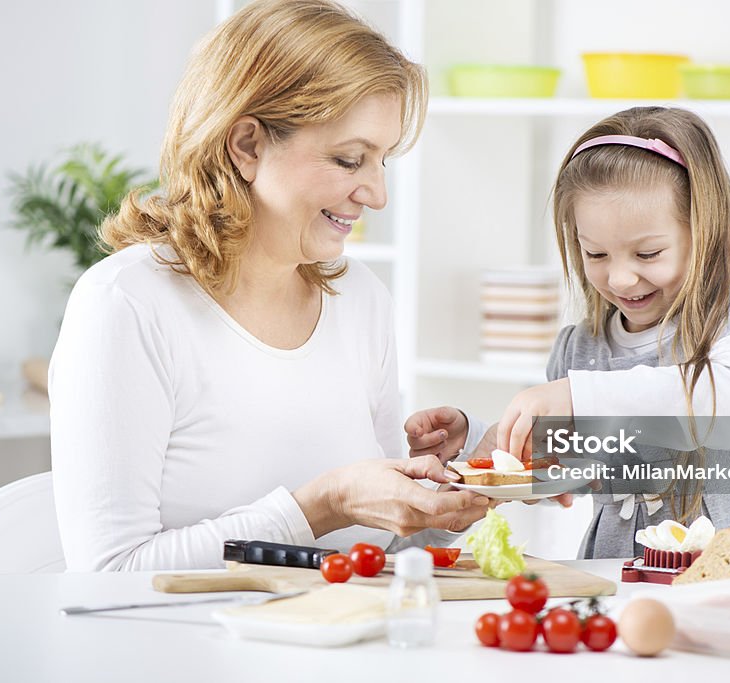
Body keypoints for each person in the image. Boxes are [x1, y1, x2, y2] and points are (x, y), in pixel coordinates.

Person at [49, 0, 489, 572]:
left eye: (382, 162)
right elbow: (109, 571)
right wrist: (323, 505)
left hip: (345, 648)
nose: (377, 194)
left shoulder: (359, 300)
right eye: (349, 159)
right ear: (248, 145)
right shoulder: (127, 304)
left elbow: (375, 554)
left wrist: (441, 497)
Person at [409, 107, 730, 558]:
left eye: (647, 253)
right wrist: (487, 444)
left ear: (706, 233)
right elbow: (570, 467)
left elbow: (726, 405)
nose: (620, 279)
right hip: (617, 576)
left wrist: (575, 397)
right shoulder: (580, 350)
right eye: (596, 253)